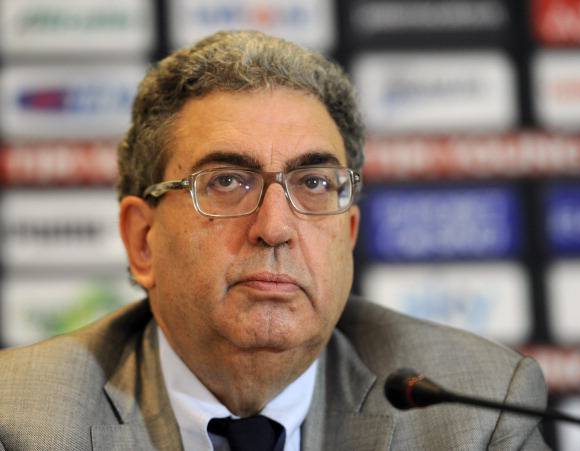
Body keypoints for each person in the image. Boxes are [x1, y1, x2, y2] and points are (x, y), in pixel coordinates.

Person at [0, 31, 549, 451]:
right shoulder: (22, 422)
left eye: (314, 184)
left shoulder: (473, 415)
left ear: (347, 236)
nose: (275, 227)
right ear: (143, 240)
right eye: (226, 182)